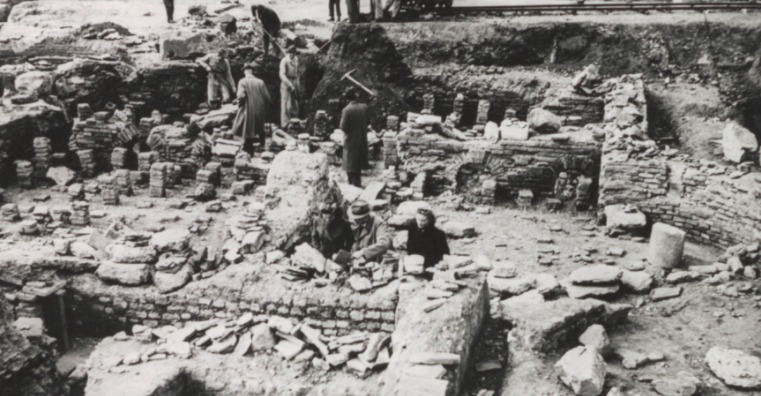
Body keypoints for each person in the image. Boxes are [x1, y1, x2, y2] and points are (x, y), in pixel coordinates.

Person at [231, 63, 271, 154]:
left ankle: (249, 150)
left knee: (247, 127)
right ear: (252, 71)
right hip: (260, 108)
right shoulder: (260, 82)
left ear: (245, 72)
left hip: (249, 108)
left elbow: (241, 96)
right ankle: (262, 146)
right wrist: (264, 107)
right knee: (260, 127)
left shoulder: (242, 81)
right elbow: (267, 97)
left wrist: (239, 104)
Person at [339, 87, 369, 187]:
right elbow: (368, 122)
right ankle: (357, 183)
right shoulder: (364, 107)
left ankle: (352, 185)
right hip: (362, 139)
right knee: (358, 163)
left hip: (351, 140)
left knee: (350, 164)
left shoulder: (346, 110)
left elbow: (343, 127)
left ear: (347, 98)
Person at [406, 208, 449, 272]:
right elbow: (409, 247)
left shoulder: (438, 234)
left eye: (423, 220)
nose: (419, 223)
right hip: (414, 263)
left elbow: (445, 253)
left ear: (429, 220)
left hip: (431, 265)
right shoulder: (412, 228)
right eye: (418, 219)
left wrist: (441, 263)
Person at [348, 200, 391, 264]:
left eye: (358, 219)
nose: (355, 220)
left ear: (366, 217)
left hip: (373, 261)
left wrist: (363, 252)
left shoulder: (379, 223)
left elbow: (384, 243)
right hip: (356, 260)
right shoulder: (354, 223)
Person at [279, 45, 300, 128]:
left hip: (294, 81)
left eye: (293, 53)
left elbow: (297, 74)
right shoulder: (284, 61)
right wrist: (289, 85)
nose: (291, 55)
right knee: (286, 104)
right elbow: (282, 75)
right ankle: (285, 124)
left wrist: (297, 85)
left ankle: (294, 122)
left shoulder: (296, 59)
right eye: (290, 53)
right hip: (286, 82)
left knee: (294, 103)